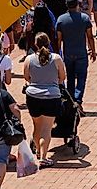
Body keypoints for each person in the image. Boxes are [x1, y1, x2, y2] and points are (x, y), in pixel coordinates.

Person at [23, 33, 66, 166]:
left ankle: (37, 151)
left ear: (35, 44)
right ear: (49, 43)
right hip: (51, 96)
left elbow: (26, 77)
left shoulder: (29, 59)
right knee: (47, 129)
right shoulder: (56, 58)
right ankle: (43, 157)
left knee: (37, 126)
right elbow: (62, 77)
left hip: (33, 96)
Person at [55, 0, 97, 110]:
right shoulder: (84, 18)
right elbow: (90, 37)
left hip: (68, 53)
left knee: (70, 77)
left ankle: (71, 100)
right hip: (81, 53)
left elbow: (58, 39)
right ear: (77, 4)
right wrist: (93, 51)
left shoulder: (61, 20)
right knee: (81, 78)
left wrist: (58, 54)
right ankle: (78, 100)